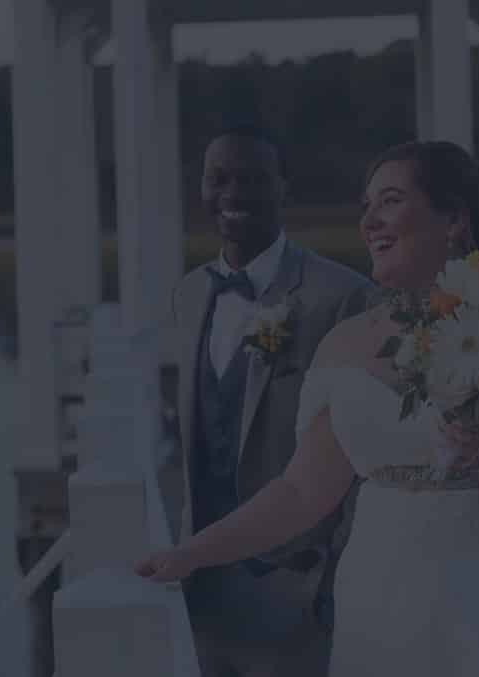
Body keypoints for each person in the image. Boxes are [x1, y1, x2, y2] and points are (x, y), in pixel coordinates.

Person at [139, 140, 479, 675]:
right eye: (365, 206)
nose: (369, 221)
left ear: (455, 218)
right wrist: (191, 554)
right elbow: (300, 492)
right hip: (383, 612)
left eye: (390, 200)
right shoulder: (346, 343)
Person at [166, 123, 372, 677]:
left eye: (253, 180)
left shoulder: (343, 296)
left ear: (285, 187)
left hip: (297, 589)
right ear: (203, 188)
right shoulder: (188, 294)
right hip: (203, 588)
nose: (233, 194)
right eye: (219, 179)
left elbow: (364, 456)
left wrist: (331, 579)